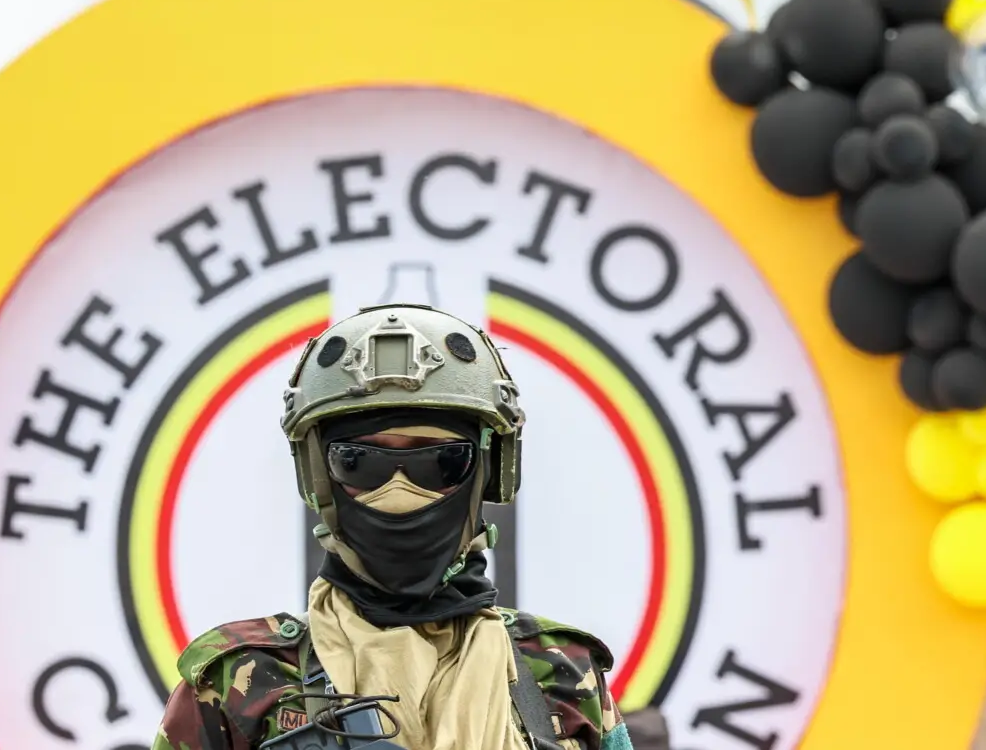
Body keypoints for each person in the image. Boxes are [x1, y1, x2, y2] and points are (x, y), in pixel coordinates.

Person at [150, 304, 634, 750]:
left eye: (440, 461)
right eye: (359, 461)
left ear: (488, 476)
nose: (399, 492)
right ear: (318, 477)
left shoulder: (564, 675)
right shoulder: (239, 684)